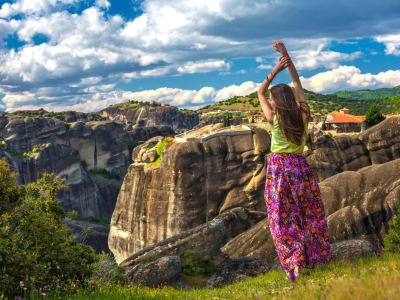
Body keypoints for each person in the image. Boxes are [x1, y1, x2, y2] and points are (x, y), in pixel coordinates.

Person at [258, 40, 332, 281]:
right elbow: (298, 83)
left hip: (278, 170)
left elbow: (259, 92)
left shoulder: (273, 119)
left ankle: (295, 264)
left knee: (282, 219)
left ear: (277, 102)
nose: (269, 101)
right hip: (300, 168)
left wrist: (274, 71)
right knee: (307, 214)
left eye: (272, 99)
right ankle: (313, 258)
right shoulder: (303, 113)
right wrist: (286, 56)